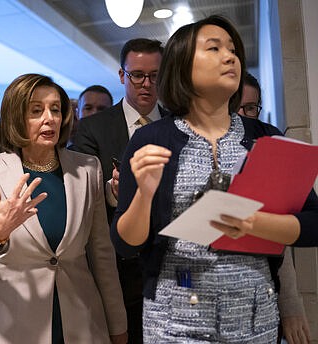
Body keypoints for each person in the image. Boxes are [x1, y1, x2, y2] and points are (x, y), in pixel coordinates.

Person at [111, 15, 318, 343]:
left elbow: (313, 223)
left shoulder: (265, 139)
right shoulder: (151, 139)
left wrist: (254, 223)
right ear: (182, 65)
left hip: (255, 318)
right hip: (174, 323)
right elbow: (125, 243)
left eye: (233, 50)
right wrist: (144, 195)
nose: (230, 56)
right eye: (214, 48)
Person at [0, 73, 127, 343]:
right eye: (37, 110)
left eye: (55, 109)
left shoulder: (87, 168)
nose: (50, 118)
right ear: (16, 117)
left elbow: (102, 255)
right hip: (13, 326)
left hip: (82, 323)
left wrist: (118, 325)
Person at [71, 38, 164, 344]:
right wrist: (114, 192)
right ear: (123, 76)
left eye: (154, 75)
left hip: (171, 263)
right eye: (137, 75)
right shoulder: (93, 128)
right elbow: (83, 195)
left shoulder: (180, 122)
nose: (146, 84)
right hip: (119, 267)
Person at [236, 73, 311, 344]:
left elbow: (282, 237)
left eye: (251, 108)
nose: (243, 115)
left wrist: (290, 305)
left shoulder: (269, 140)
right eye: (236, 106)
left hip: (264, 295)